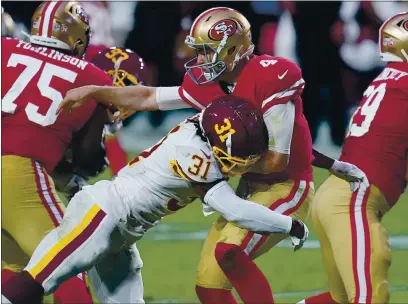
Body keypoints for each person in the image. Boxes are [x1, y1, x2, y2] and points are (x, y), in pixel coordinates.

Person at [57, 7, 369, 303]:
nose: (199, 58)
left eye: (207, 50)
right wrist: (97, 91)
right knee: (209, 287)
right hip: (249, 185)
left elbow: (277, 158)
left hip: (285, 187)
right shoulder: (208, 84)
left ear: (233, 49)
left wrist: (213, 167)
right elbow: (149, 96)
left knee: (229, 251)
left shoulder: (271, 76)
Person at [2, 98, 310, 304]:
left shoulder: (204, 131)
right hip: (102, 215)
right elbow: (234, 209)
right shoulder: (194, 153)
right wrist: (290, 225)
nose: (236, 169)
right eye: (233, 160)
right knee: (35, 282)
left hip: (123, 234)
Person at [1, 1, 114, 303]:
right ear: (78, 38)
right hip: (18, 173)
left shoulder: (5, 48)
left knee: (19, 269)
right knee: (68, 265)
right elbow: (88, 156)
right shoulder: (93, 77)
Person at [298, 12, 408, 304]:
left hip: (337, 197)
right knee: (371, 296)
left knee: (341, 299)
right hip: (353, 203)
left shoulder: (388, 81)